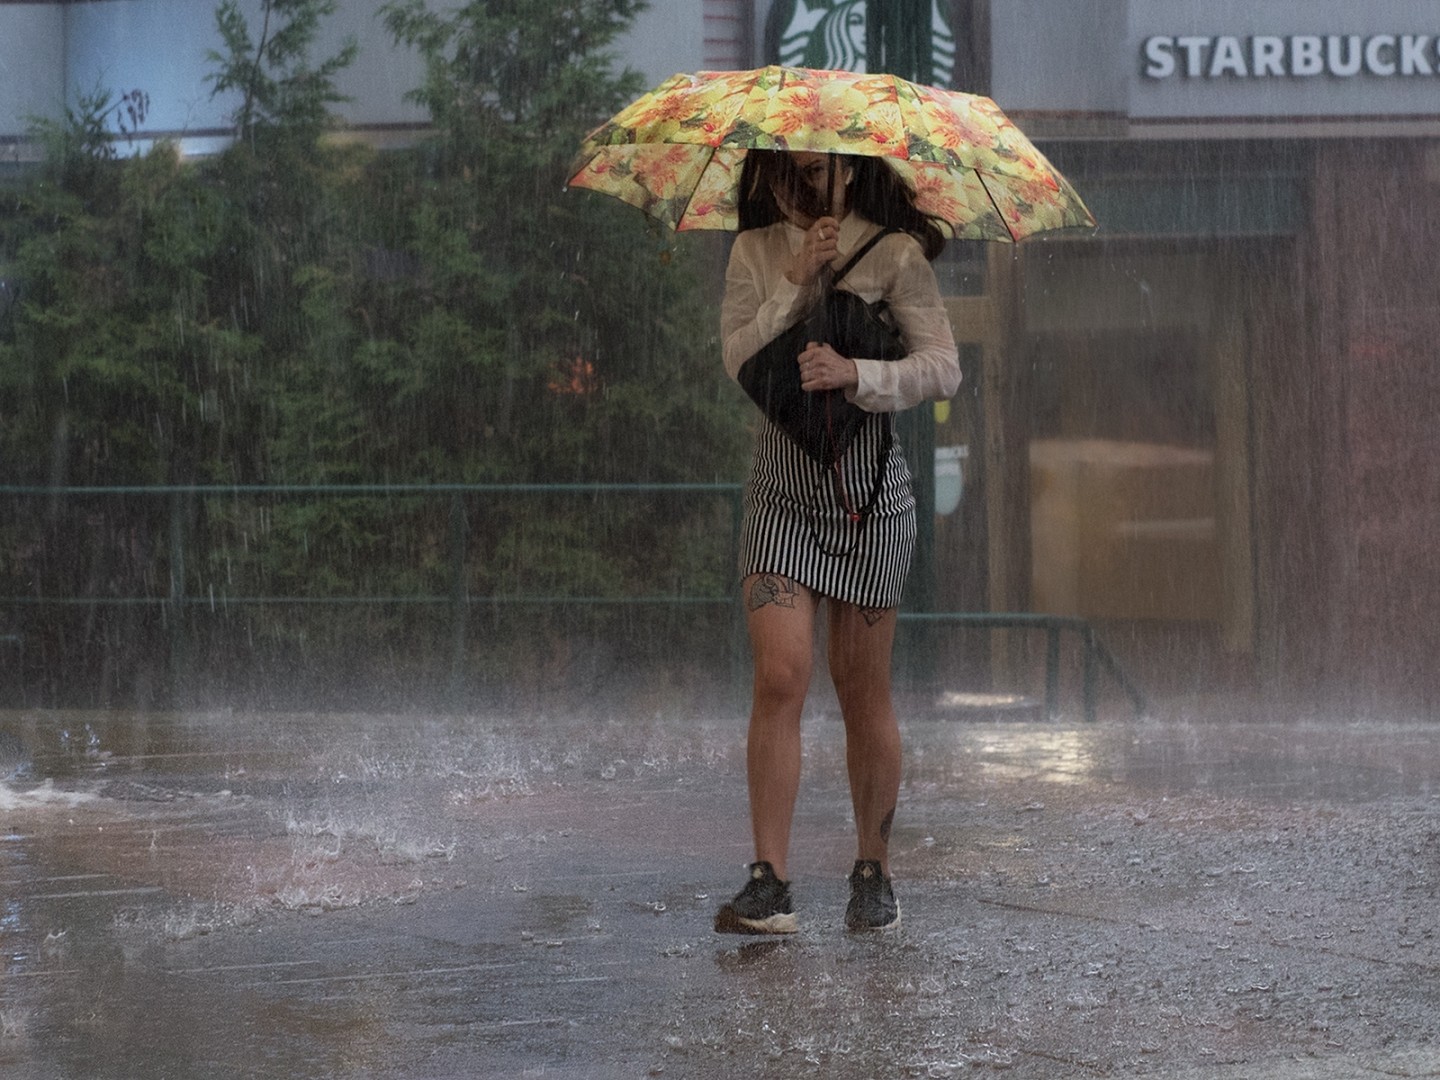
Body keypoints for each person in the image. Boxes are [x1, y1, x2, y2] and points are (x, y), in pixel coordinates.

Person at [713, 149, 960, 934]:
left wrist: (857, 372)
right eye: (783, 166)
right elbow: (735, 356)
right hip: (782, 492)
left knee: (862, 693)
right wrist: (793, 279)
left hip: (869, 502)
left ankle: (872, 870)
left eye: (814, 167)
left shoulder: (895, 253)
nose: (796, 180)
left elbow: (943, 368)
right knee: (780, 676)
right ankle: (768, 880)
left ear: (847, 173)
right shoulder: (752, 251)